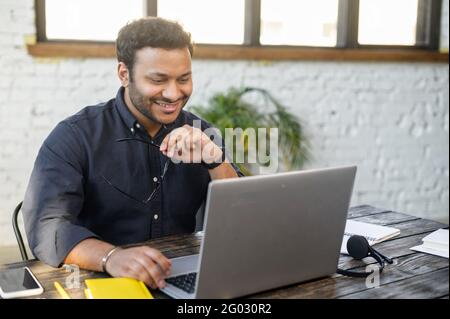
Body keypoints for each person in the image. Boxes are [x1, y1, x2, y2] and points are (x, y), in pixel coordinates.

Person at [22, 17, 241, 290]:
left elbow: (244, 215)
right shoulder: (75, 136)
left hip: (181, 277)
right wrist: (111, 256)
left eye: (184, 79)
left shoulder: (200, 133)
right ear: (124, 74)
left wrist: (215, 160)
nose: (174, 93)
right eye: (158, 80)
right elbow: (47, 226)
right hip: (101, 278)